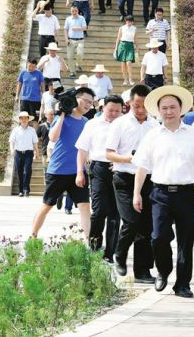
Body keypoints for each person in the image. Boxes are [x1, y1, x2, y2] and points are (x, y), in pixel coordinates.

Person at [132, 85, 194, 298]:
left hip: (186, 193)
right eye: (164, 108)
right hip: (160, 194)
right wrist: (136, 193)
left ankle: (183, 284)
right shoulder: (152, 135)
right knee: (158, 237)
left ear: (181, 109)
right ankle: (163, 271)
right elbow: (142, 167)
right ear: (158, 110)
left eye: (173, 107)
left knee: (186, 241)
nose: (169, 111)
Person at [106, 84, 159, 282]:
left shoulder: (155, 126)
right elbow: (109, 153)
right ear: (129, 103)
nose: (140, 109)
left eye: (144, 105)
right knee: (131, 220)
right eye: (137, 105)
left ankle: (142, 271)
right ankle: (119, 254)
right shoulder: (119, 124)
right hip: (124, 179)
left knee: (146, 226)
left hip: (148, 179)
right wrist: (129, 158)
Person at [31, 87, 95, 239]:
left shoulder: (87, 122)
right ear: (76, 100)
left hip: (78, 172)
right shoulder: (63, 119)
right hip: (57, 171)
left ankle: (90, 242)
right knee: (47, 205)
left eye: (91, 103)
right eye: (85, 101)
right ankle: (32, 236)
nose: (88, 105)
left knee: (85, 206)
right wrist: (61, 115)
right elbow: (53, 138)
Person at [76, 94, 124, 262]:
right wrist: (79, 172)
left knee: (115, 214)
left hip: (119, 169)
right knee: (99, 210)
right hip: (98, 169)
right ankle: (95, 246)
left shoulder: (125, 125)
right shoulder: (92, 124)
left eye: (117, 111)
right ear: (103, 107)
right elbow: (82, 149)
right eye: (111, 110)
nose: (113, 114)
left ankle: (110, 253)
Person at [10, 111, 39, 197]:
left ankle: (26, 189)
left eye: (25, 118)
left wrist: (36, 153)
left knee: (27, 171)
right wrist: (12, 150)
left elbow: (35, 143)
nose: (24, 120)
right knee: (19, 172)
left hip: (28, 153)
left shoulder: (32, 130)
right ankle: (21, 190)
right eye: (22, 118)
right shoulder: (15, 130)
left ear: (28, 119)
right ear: (19, 120)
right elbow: (11, 141)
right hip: (18, 153)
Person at [114, 16, 139, 85]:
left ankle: (130, 79)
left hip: (130, 45)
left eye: (130, 21)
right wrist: (116, 48)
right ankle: (125, 79)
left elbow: (135, 39)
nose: (129, 23)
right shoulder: (122, 28)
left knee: (129, 63)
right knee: (123, 64)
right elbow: (118, 38)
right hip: (122, 45)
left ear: (132, 22)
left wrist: (137, 47)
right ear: (125, 21)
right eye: (128, 21)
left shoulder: (134, 28)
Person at [64, 5, 87, 78]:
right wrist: (66, 39)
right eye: (72, 11)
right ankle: (72, 72)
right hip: (71, 40)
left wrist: (77, 28)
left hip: (80, 40)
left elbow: (85, 28)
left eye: (75, 11)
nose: (74, 12)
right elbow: (65, 29)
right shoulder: (68, 19)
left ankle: (78, 64)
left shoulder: (82, 18)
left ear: (78, 11)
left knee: (80, 54)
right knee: (70, 57)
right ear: (70, 11)